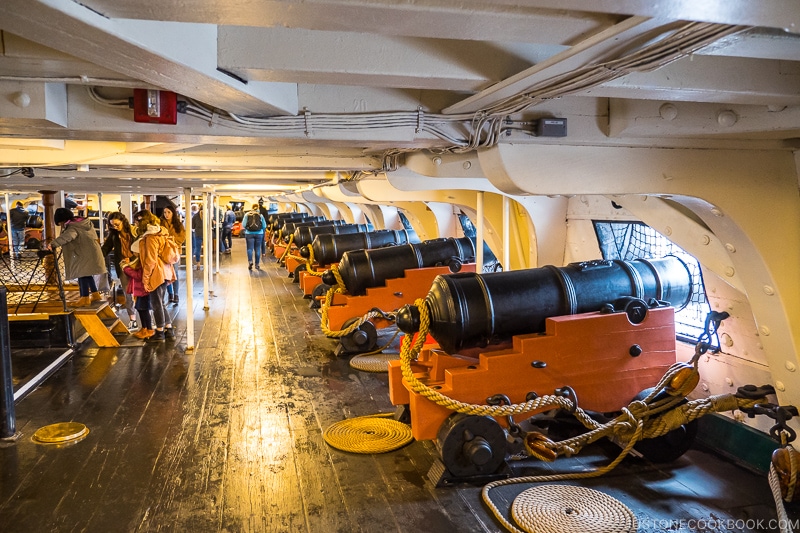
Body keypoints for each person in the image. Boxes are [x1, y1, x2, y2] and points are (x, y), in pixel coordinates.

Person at [47, 207, 107, 308]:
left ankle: (84, 298)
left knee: (82, 274)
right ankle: (95, 294)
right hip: (91, 253)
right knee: (87, 274)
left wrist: (53, 244)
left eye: (61, 223)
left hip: (83, 254)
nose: (61, 226)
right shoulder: (84, 223)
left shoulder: (73, 227)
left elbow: (68, 237)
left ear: (63, 220)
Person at [132, 210, 176, 341]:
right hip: (165, 270)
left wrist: (145, 279)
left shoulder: (150, 237)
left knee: (156, 303)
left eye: (136, 221)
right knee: (161, 302)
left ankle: (160, 331)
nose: (135, 224)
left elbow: (150, 260)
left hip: (156, 273)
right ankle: (169, 329)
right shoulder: (160, 233)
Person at [101, 212, 139, 330]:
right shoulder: (113, 235)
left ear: (123, 221)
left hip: (137, 265)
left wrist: (132, 258)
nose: (115, 227)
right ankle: (132, 320)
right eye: (112, 225)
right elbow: (106, 248)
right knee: (128, 293)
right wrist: (97, 258)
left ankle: (148, 318)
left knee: (142, 291)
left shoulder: (134, 231)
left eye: (117, 224)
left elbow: (141, 248)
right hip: (122, 267)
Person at [121, 257, 154, 339]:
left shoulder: (142, 261)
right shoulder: (141, 260)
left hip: (142, 290)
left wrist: (125, 268)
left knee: (144, 309)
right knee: (140, 309)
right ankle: (144, 328)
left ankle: (149, 329)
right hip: (140, 290)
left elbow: (138, 275)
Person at [160, 201, 186, 304]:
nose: (166, 214)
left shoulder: (178, 224)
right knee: (166, 274)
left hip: (175, 252)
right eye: (165, 212)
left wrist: (171, 239)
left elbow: (182, 237)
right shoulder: (160, 223)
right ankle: (170, 293)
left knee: (175, 273)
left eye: (168, 212)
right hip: (163, 252)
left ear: (173, 213)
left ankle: (176, 294)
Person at [241, 204, 267, 271]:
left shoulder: (247, 214)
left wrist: (248, 228)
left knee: (250, 249)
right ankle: (257, 264)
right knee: (257, 249)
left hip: (249, 234)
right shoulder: (260, 215)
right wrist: (260, 229)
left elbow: (243, 225)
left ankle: (250, 262)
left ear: (252, 208)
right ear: (258, 208)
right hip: (259, 234)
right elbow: (264, 226)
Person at [190, 204, 203, 269]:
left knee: (197, 249)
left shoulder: (195, 216)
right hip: (206, 234)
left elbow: (192, 226)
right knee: (208, 248)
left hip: (197, 234)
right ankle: (207, 262)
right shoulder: (207, 215)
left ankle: (198, 263)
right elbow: (211, 224)